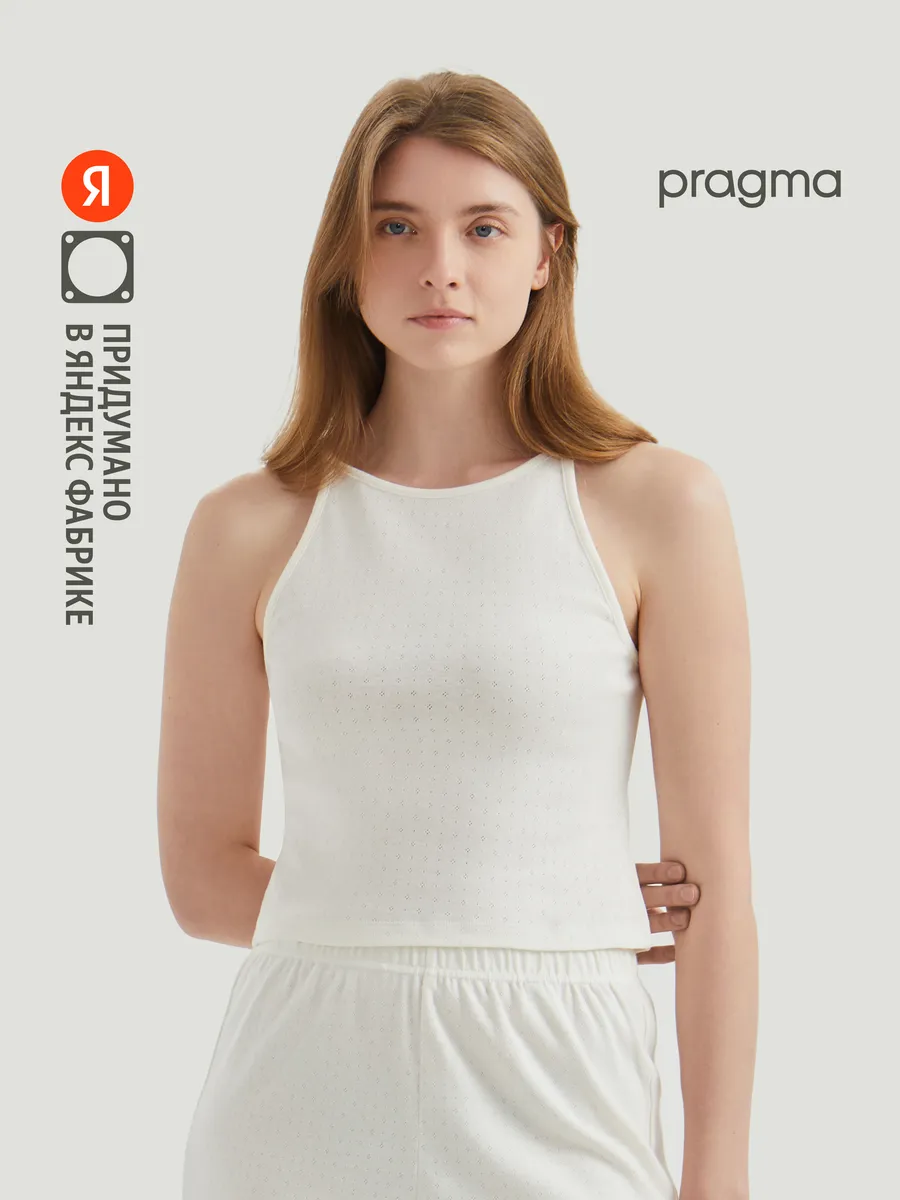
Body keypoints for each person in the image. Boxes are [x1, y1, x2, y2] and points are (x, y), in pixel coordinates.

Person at [158, 70, 757, 1200]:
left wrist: (717, 1182)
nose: (441, 266)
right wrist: (527, 903)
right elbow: (200, 879)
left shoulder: (657, 506)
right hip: (298, 1096)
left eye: (484, 227)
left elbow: (713, 893)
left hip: (561, 1088)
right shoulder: (247, 527)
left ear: (546, 254)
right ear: (348, 257)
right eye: (397, 226)